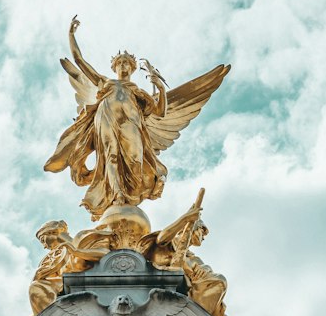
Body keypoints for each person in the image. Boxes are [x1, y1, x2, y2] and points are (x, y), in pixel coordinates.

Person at [44, 18, 228, 220]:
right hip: (106, 122)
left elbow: (159, 112)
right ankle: (117, 196)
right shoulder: (105, 83)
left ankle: (131, 193)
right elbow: (80, 61)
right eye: (120, 63)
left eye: (127, 63)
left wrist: (159, 88)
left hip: (131, 127)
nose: (123, 66)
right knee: (111, 157)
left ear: (132, 69)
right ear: (114, 66)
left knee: (134, 161)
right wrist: (71, 35)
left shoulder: (138, 92)